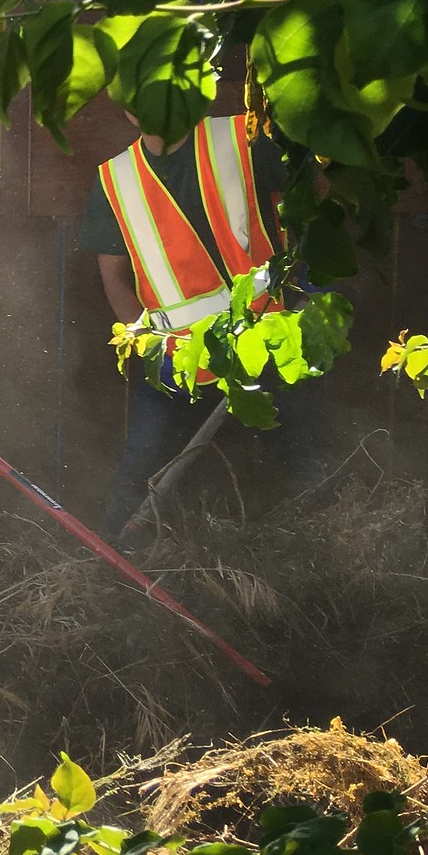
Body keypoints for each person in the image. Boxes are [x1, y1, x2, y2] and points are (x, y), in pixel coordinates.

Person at [80, 107, 323, 538]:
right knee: (138, 479)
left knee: (310, 467)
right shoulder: (115, 180)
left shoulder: (244, 138)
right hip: (178, 361)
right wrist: (151, 345)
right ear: (125, 107)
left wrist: (310, 296)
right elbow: (114, 278)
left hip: (272, 343)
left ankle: (336, 557)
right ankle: (109, 575)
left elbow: (317, 209)